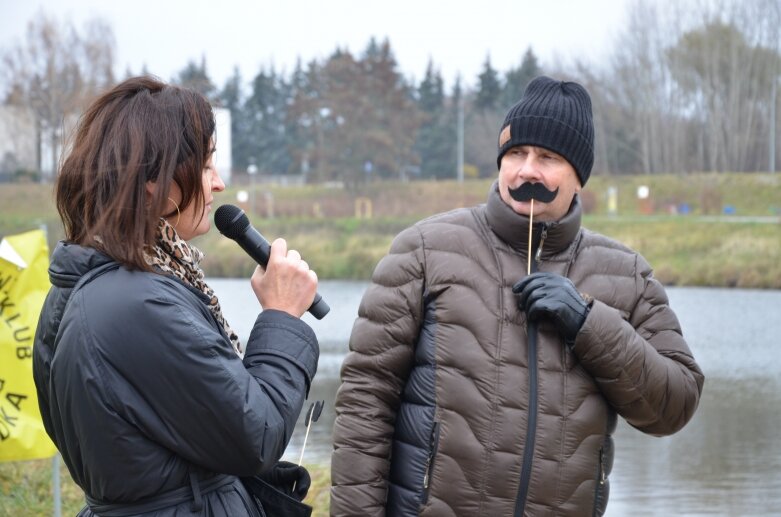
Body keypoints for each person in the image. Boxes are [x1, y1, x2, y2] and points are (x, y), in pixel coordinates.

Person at [330, 75, 704, 516]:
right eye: (516, 153)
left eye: (547, 157)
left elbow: (675, 405)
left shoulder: (628, 275)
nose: (528, 170)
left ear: (578, 177)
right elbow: (365, 401)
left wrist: (588, 322)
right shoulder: (426, 249)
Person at [32, 76, 320, 516]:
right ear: (155, 183)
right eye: (206, 166)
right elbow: (255, 434)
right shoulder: (136, 304)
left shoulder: (90, 282)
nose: (219, 184)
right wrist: (281, 316)